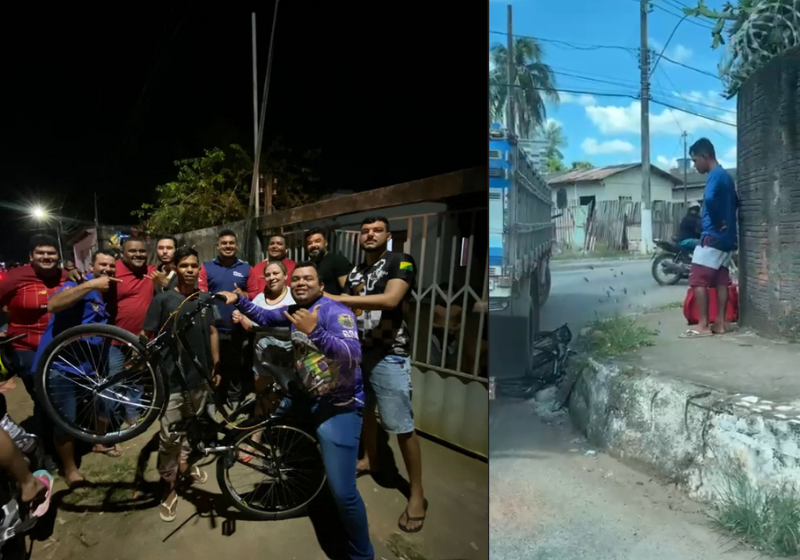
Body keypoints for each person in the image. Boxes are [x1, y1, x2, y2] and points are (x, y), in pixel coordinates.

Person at [216, 262, 374, 560]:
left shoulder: (334, 312)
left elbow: (352, 355)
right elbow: (263, 315)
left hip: (337, 408)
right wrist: (240, 299)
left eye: (308, 278)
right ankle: (309, 490)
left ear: (321, 285)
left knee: (344, 493)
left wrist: (314, 331)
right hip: (307, 397)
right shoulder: (294, 309)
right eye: (297, 278)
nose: (301, 283)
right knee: (271, 420)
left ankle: (362, 554)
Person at [328, 216, 427, 533]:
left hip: (389, 355)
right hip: (359, 352)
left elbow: (391, 299)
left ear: (388, 235)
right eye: (365, 231)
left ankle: (417, 494)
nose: (370, 235)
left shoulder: (401, 262)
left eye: (377, 230)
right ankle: (371, 459)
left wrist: (341, 299)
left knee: (400, 424)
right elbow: (350, 311)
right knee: (365, 411)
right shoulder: (356, 271)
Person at [143, 246, 220, 523]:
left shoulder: (204, 299)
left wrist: (214, 366)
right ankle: (169, 484)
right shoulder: (163, 300)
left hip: (199, 378)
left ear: (199, 269)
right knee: (169, 436)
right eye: (184, 265)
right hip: (172, 381)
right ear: (175, 267)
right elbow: (146, 336)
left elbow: (212, 331)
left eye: (194, 265)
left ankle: (185, 464)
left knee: (192, 425)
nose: (189, 269)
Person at [32, 250, 121, 488]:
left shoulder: (104, 294)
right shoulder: (76, 285)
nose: (108, 270)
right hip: (60, 365)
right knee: (65, 419)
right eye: (103, 265)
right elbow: (53, 304)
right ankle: (70, 470)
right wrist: (90, 283)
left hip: (88, 364)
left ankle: (98, 442)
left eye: (112, 266)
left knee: (101, 402)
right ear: (91, 266)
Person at [0, 235, 69, 430]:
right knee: (43, 396)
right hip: (27, 347)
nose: (46, 257)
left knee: (64, 392)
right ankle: (46, 443)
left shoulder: (66, 277)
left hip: (61, 346)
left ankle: (67, 433)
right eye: (41, 253)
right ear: (31, 256)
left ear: (58, 256)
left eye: (51, 253)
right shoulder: (15, 277)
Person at [682, 138, 739, 338]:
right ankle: (720, 324)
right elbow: (736, 203)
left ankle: (704, 325)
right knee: (721, 280)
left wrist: (717, 221)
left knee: (697, 280)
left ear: (705, 156)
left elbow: (709, 199)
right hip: (727, 240)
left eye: (695, 160)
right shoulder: (727, 177)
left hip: (712, 237)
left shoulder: (715, 176)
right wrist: (727, 224)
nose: (694, 165)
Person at [232, 261, 295, 418]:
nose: (271, 277)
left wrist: (257, 327)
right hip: (262, 361)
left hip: (289, 362)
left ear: (285, 276)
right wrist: (239, 317)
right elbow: (249, 324)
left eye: (276, 273)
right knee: (262, 399)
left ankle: (282, 437)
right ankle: (256, 437)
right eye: (268, 274)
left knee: (287, 401)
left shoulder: (294, 298)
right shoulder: (259, 299)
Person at [198, 230, 251, 412]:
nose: (228, 246)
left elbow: (253, 294)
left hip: (236, 327)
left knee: (236, 365)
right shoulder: (206, 267)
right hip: (213, 327)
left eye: (231, 243)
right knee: (214, 365)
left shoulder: (246, 268)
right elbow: (201, 293)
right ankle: (213, 400)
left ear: (237, 246)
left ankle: (235, 399)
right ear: (218, 246)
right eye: (224, 243)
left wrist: (244, 295)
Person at [107, 237, 156, 425]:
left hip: (142, 339)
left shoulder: (151, 272)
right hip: (115, 340)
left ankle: (132, 414)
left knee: (136, 380)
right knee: (115, 381)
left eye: (141, 251)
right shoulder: (113, 271)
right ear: (122, 254)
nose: (138, 255)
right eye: (132, 251)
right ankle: (113, 418)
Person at [246, 234, 296, 300]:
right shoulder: (257, 267)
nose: (274, 246)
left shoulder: (294, 267)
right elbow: (252, 291)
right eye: (272, 243)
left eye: (279, 244)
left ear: (286, 249)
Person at [304, 228, 352, 295]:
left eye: (317, 241)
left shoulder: (338, 260)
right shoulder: (309, 266)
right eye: (309, 243)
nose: (313, 245)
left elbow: (348, 291)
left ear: (325, 243)